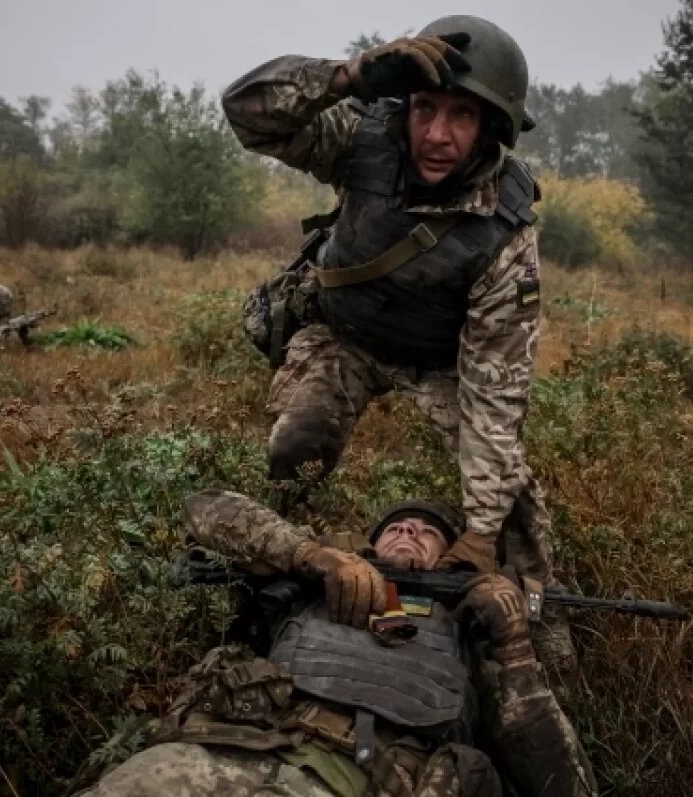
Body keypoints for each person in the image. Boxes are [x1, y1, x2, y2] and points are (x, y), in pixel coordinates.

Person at [222, 17, 555, 587]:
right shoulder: (363, 141)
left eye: (462, 115)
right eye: (424, 108)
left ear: (492, 127)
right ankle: (265, 581)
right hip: (345, 335)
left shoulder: (505, 234)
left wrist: (478, 535)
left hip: (438, 361)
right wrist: (348, 76)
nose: (436, 135)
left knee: (515, 515)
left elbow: (494, 392)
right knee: (295, 450)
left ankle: (539, 636)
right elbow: (249, 116)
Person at [85, 490, 596, 797]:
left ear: (448, 559)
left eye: (427, 533)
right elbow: (202, 509)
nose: (409, 532)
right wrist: (308, 555)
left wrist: (513, 648)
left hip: (364, 781)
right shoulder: (318, 577)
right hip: (220, 752)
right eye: (397, 527)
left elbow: (566, 785)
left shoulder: (470, 627)